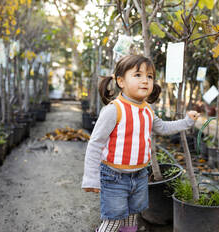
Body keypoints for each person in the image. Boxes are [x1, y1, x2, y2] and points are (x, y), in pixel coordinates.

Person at [82, 55, 200, 232]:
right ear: (121, 81)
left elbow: (163, 128)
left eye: (150, 76)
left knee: (132, 217)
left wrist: (187, 122)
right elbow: (95, 144)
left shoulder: (147, 109)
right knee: (114, 221)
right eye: (138, 75)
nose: (145, 80)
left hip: (139, 175)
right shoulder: (114, 110)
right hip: (114, 177)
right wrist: (91, 178)